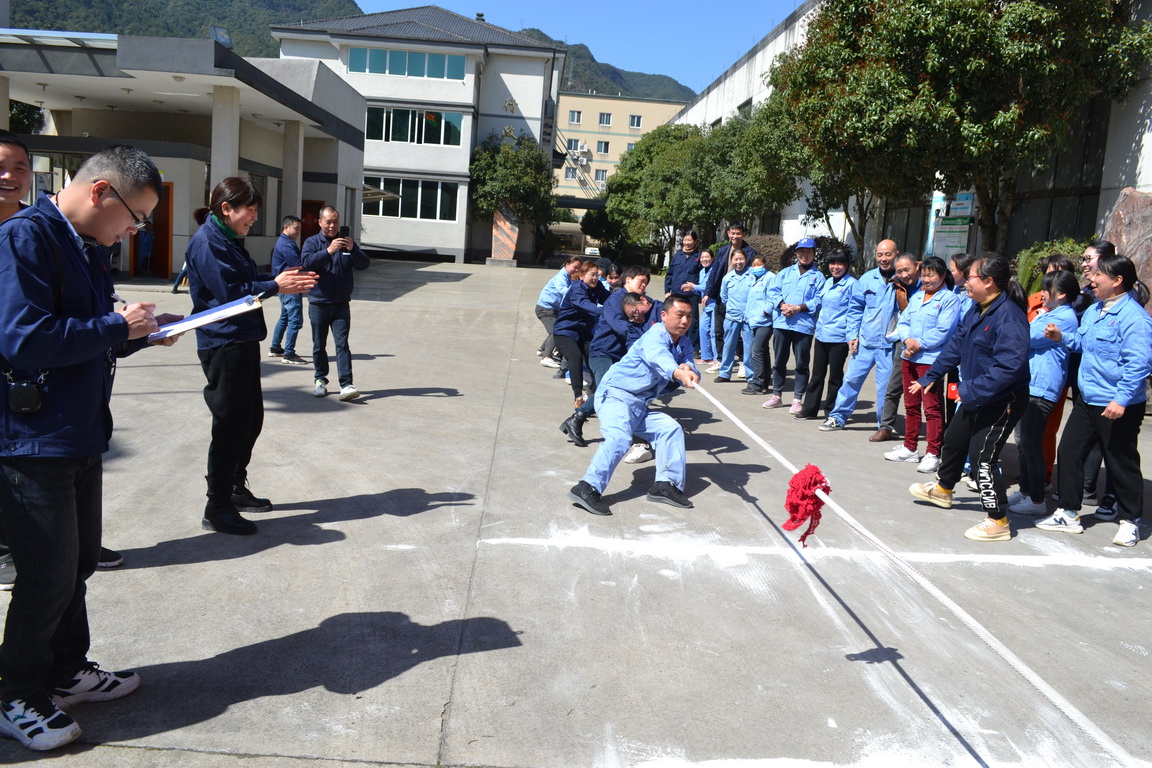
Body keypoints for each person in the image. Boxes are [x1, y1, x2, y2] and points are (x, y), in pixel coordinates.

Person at [0, 145, 178, 751]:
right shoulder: (25, 238)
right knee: (45, 574)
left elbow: (88, 330)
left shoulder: (86, 246)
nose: (136, 230)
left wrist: (138, 333)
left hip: (77, 431)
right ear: (101, 191)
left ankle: (66, 670)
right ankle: (17, 692)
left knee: (75, 565)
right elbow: (24, 338)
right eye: (136, 216)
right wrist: (115, 326)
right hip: (33, 441)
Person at [186, 177, 317, 535]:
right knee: (230, 423)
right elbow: (231, 292)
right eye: (251, 209)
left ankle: (234, 486)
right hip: (223, 341)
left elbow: (243, 278)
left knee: (249, 419)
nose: (255, 217)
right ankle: (217, 505)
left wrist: (277, 279)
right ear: (226, 208)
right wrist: (275, 285)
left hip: (241, 339)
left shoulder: (227, 238)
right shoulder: (208, 242)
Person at [907, 253, 1030, 543]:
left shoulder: (1009, 317)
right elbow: (956, 345)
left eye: (970, 277)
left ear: (988, 282)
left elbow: (1009, 368)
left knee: (982, 458)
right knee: (954, 439)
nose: (964, 282)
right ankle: (943, 490)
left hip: (1003, 399)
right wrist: (931, 375)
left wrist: (966, 390)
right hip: (977, 393)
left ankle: (998, 520)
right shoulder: (976, 309)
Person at [1035, 253, 1152, 547]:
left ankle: (1131, 521)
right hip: (1088, 398)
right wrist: (1061, 337)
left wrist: (1121, 400)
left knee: (1120, 461)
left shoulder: (1134, 318)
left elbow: (1139, 364)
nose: (1092, 279)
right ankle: (1068, 513)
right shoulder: (1094, 311)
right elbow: (1083, 343)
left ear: (1117, 280)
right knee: (1070, 451)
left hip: (1117, 403)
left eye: (1099, 274)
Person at [567, 294, 701, 516]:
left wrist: (690, 369)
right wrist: (678, 372)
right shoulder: (655, 336)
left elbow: (689, 364)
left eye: (689, 316)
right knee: (619, 438)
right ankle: (587, 487)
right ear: (664, 315)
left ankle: (665, 485)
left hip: (638, 404)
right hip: (615, 396)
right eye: (680, 315)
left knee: (669, 429)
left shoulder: (684, 342)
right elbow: (660, 358)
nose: (685, 321)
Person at [1006, 269, 1080, 515]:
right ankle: (1026, 490)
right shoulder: (1049, 313)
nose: (1042, 294)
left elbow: (1027, 336)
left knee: (1031, 443)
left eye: (1047, 289)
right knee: (1023, 442)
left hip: (1042, 387)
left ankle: (1037, 499)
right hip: (1030, 384)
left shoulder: (1064, 317)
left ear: (1061, 294)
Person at [883, 256, 959, 473]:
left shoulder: (949, 299)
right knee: (911, 405)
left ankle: (933, 453)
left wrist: (919, 344)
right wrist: (907, 340)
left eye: (931, 275)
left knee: (932, 408)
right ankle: (910, 447)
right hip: (909, 357)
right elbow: (904, 321)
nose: (926, 279)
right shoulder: (917, 296)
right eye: (924, 275)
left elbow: (944, 330)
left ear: (942, 275)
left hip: (930, 361)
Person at [820, 240, 899, 434]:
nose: (883, 259)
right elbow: (855, 310)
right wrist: (852, 335)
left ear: (896, 254)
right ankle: (838, 417)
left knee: (886, 389)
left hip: (889, 346)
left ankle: (884, 425)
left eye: (888, 254)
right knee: (850, 381)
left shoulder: (904, 279)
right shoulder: (867, 279)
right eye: (880, 255)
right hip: (865, 342)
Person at [301, 206, 370, 400]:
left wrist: (353, 249)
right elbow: (306, 263)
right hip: (319, 303)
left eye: (336, 222)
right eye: (328, 222)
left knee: (342, 344)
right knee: (319, 345)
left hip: (341, 304)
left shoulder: (347, 243)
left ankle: (346, 385)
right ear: (320, 222)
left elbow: (364, 264)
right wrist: (328, 251)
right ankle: (320, 380)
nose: (332, 226)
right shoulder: (312, 242)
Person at [764, 237, 824, 413]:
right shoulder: (785, 273)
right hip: (782, 323)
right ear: (796, 253)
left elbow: (820, 300)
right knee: (779, 361)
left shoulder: (818, 277)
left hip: (803, 326)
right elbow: (773, 291)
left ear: (814, 254)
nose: (804, 255)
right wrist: (782, 305)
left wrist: (799, 308)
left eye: (808, 252)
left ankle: (797, 399)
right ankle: (776, 395)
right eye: (801, 251)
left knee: (801, 364)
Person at [798, 248, 856, 419]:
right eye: (832, 263)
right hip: (822, 335)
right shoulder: (828, 282)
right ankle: (809, 409)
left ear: (846, 265)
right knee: (817, 374)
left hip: (839, 337)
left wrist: (852, 336)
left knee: (835, 377)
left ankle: (832, 411)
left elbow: (854, 312)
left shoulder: (852, 285)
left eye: (839, 263)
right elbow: (818, 302)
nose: (835, 267)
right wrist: (799, 307)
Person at [872, 253, 921, 437]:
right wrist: (906, 339)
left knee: (929, 391)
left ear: (917, 266)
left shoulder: (928, 285)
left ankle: (937, 434)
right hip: (904, 340)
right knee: (893, 386)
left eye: (907, 270)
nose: (904, 275)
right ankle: (885, 426)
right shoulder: (897, 285)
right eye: (899, 271)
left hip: (929, 343)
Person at [554, 261, 609, 409]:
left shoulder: (598, 287)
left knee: (596, 359)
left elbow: (610, 300)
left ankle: (595, 394)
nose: (595, 278)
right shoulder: (577, 288)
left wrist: (626, 302)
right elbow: (585, 305)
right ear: (582, 275)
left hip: (584, 333)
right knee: (576, 357)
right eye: (592, 275)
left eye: (597, 275)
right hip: (565, 332)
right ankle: (577, 396)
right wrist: (605, 312)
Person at [703, 222, 759, 362]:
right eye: (732, 233)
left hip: (741, 299)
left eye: (738, 233)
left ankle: (743, 360)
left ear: (743, 234)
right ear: (728, 233)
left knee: (740, 331)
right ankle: (721, 359)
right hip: (722, 296)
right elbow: (714, 273)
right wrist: (708, 293)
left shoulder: (750, 252)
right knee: (719, 330)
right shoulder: (723, 250)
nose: (735, 236)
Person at [267, 215, 307, 365]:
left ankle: (275, 347)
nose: (298, 232)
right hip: (290, 286)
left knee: (284, 317)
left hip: (283, 286)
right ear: (286, 227)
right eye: (296, 228)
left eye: (300, 229)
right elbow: (298, 264)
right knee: (295, 321)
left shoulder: (284, 242)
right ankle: (289, 354)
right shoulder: (287, 244)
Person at [714, 249, 752, 383]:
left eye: (741, 259)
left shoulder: (752, 275)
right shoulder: (727, 278)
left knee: (749, 347)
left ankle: (750, 375)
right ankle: (725, 373)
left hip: (749, 317)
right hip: (732, 316)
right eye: (736, 259)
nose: (738, 262)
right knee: (729, 345)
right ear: (731, 260)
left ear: (746, 259)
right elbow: (724, 297)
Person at [536, 255, 581, 368]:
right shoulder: (561, 276)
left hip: (553, 309)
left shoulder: (568, 277)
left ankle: (542, 349)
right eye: (575, 267)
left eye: (578, 268)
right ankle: (546, 357)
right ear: (567, 264)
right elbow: (563, 291)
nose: (576, 270)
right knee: (556, 331)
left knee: (557, 328)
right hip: (545, 309)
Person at [742, 252, 777, 395]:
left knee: (756, 351)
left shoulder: (770, 277)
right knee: (763, 351)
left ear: (764, 264)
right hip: (753, 320)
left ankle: (757, 383)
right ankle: (764, 383)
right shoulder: (752, 278)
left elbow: (773, 297)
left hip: (765, 321)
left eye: (759, 264)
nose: (756, 267)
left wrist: (765, 311)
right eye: (754, 265)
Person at [665, 230, 705, 352]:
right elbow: (669, 274)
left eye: (690, 240)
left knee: (692, 321)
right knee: (676, 319)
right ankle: (674, 344)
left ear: (695, 241)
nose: (687, 243)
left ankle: (694, 348)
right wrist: (667, 290)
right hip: (676, 293)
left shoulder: (699, 257)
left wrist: (700, 292)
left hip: (691, 294)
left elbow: (703, 276)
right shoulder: (677, 255)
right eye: (685, 240)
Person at [685, 251, 717, 366]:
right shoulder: (702, 271)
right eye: (702, 257)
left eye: (707, 257)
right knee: (703, 329)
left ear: (712, 258)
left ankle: (716, 358)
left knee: (713, 332)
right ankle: (706, 356)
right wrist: (691, 289)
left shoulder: (715, 270)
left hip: (715, 304)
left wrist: (694, 287)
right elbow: (701, 288)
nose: (704, 259)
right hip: (706, 305)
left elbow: (709, 286)